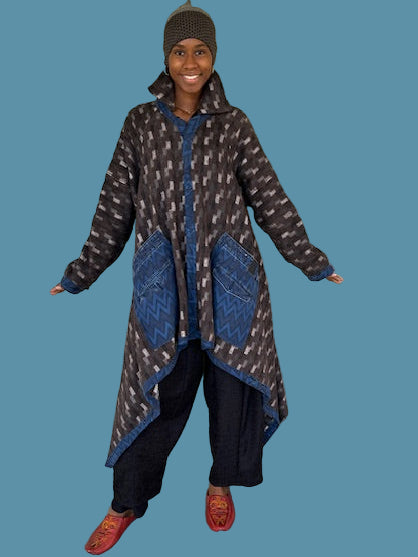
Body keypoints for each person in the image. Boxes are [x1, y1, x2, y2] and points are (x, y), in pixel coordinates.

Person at [50, 0, 343, 553]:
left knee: (232, 398)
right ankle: (124, 504)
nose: (191, 62)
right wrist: (81, 273)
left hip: (230, 286)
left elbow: (269, 198)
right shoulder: (139, 123)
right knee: (156, 397)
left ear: (214, 56)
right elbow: (114, 207)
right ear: (166, 57)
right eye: (180, 51)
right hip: (163, 287)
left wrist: (311, 260)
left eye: (201, 51)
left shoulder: (235, 124)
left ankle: (219, 483)